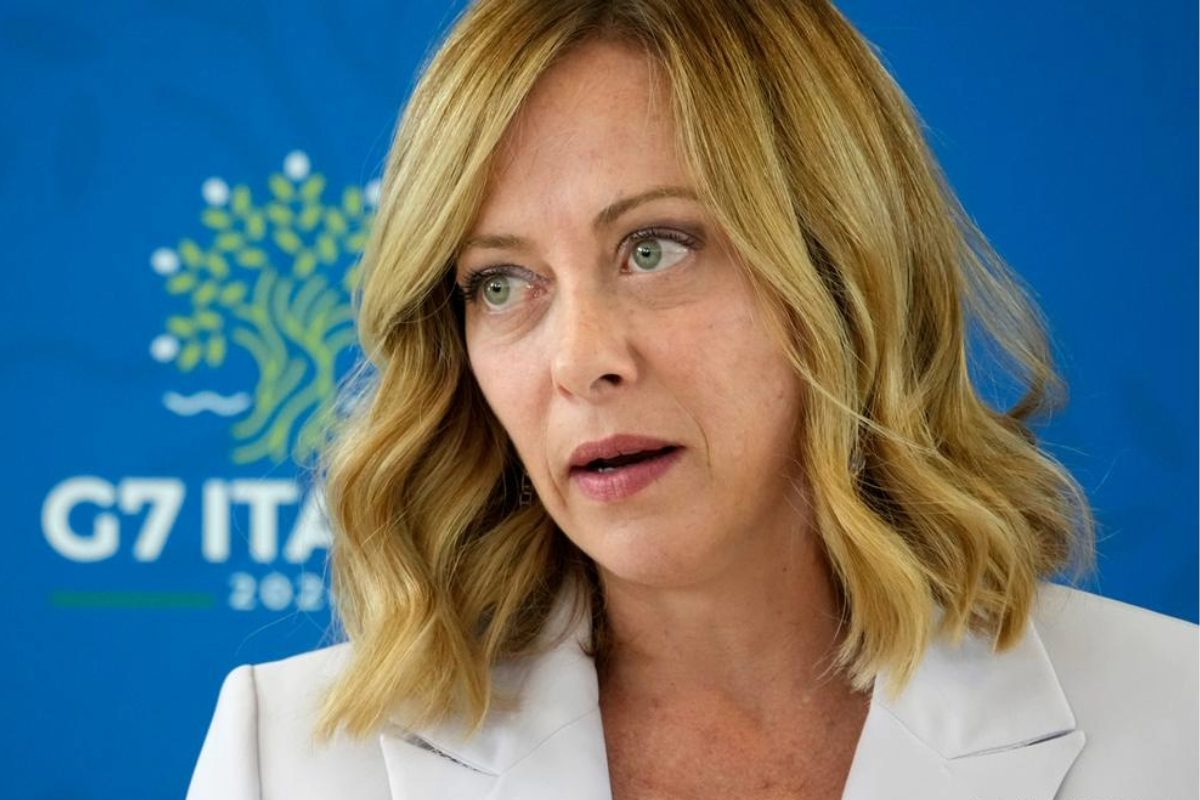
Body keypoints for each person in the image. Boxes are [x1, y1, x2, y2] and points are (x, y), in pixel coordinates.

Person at [187, 1, 1198, 798]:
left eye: (654, 248)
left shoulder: (1175, 721)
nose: (581, 360)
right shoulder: (291, 762)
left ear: (842, 268)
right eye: (500, 283)